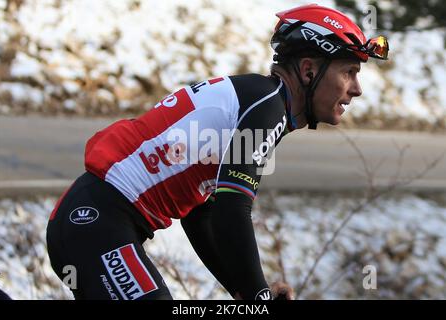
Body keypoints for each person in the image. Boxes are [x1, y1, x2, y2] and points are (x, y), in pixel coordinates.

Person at [46, 4, 388, 300]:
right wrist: (257, 295)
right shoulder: (267, 106)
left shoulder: (259, 101)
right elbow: (232, 208)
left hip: (89, 222)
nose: (356, 89)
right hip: (98, 221)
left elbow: (200, 213)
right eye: (349, 72)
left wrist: (245, 291)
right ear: (309, 69)